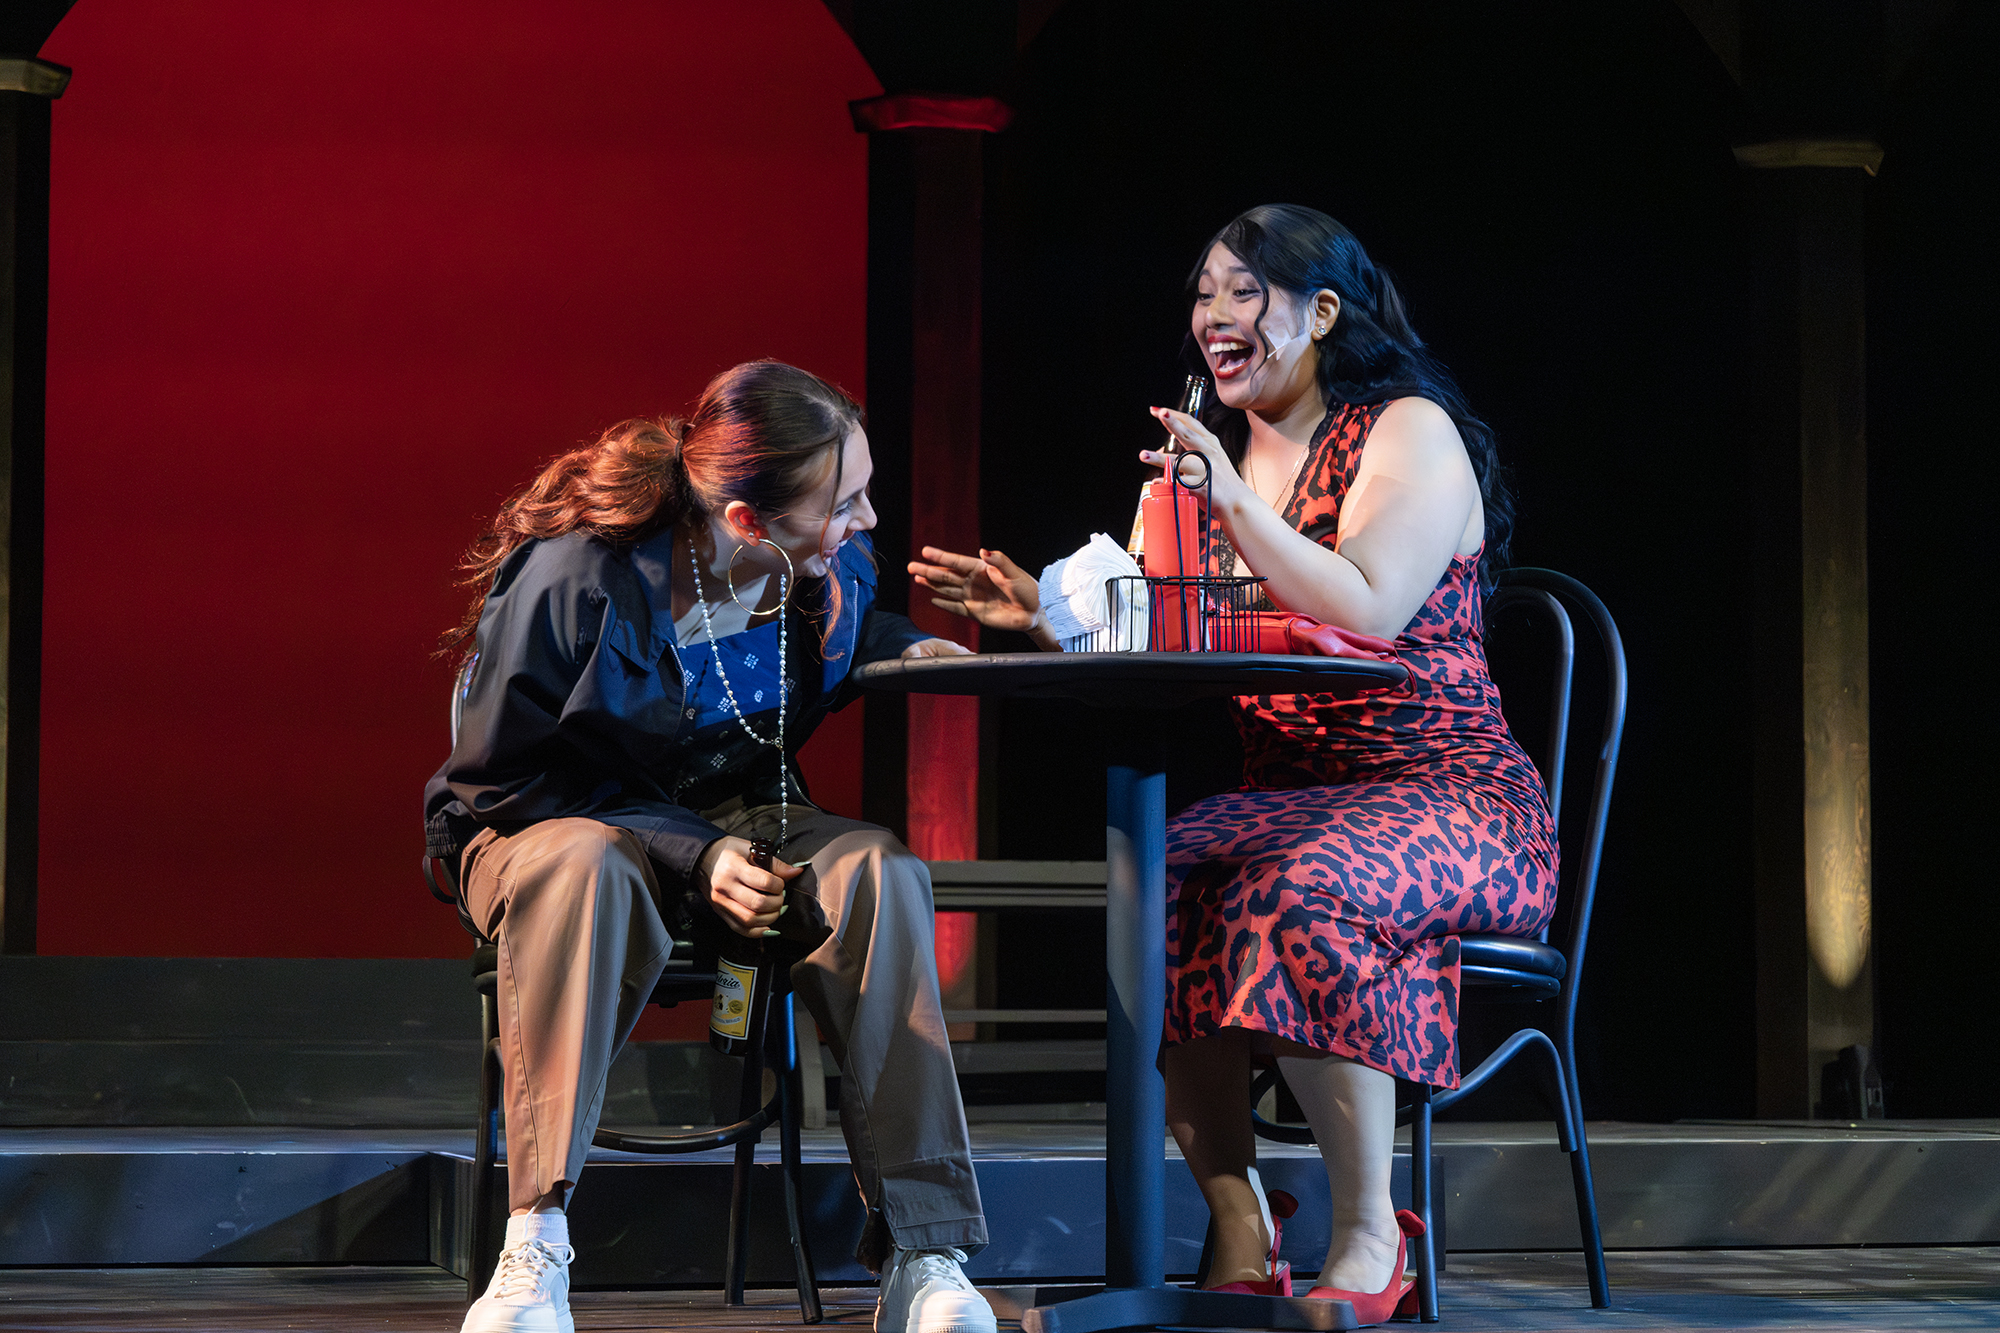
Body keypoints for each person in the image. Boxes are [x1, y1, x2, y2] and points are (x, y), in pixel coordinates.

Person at [910, 204, 1557, 1325]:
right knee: (1153, 883)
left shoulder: (1403, 431)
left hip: (1451, 799)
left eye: (1242, 290)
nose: (1213, 314)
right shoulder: (1201, 457)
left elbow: (1365, 602)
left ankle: (1367, 1234)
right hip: (1288, 801)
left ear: (1318, 313)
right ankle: (1240, 1220)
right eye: (1203, 292)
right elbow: (1164, 631)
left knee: (1296, 886)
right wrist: (1046, 617)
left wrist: (1227, 495)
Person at [424, 360, 999, 1333]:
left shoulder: (821, 568)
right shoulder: (578, 574)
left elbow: (851, 627)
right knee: (584, 866)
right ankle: (536, 1242)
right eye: (843, 500)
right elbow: (500, 782)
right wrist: (691, 856)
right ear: (746, 520)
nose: (864, 521)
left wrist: (907, 644)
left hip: (736, 813)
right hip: (546, 825)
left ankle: (920, 1249)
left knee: (871, 870)